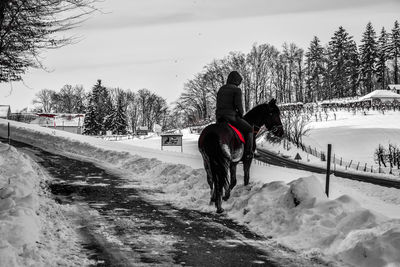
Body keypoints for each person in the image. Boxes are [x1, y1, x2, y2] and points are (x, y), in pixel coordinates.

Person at [215, 71, 253, 160]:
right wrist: (241, 114)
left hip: (219, 117)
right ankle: (248, 153)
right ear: (236, 81)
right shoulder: (236, 90)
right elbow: (238, 106)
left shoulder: (221, 88)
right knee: (249, 129)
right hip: (231, 117)